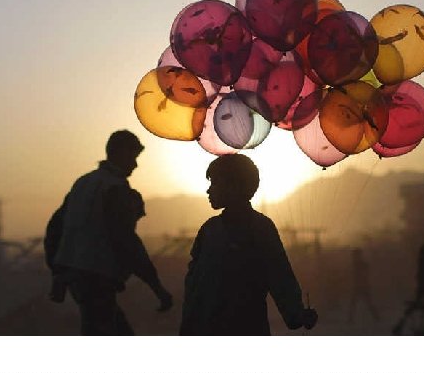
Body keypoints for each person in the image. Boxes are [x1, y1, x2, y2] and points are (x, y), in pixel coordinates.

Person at [49, 129, 172, 335]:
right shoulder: (115, 189)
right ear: (120, 153)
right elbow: (126, 242)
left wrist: (58, 273)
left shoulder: (83, 183)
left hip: (77, 278)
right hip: (97, 278)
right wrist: (157, 288)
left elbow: (55, 230)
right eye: (133, 157)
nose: (135, 165)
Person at [180, 154, 317, 335]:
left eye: (215, 183)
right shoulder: (209, 229)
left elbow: (279, 276)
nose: (209, 190)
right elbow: (194, 284)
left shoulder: (258, 228)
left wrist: (297, 315)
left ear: (234, 187)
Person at [347, 248, 380, 324]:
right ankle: (376, 317)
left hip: (361, 286)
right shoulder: (360, 264)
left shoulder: (359, 264)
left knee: (359, 303)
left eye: (355, 255)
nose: (354, 256)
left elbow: (362, 275)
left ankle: (376, 317)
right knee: (357, 303)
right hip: (360, 286)